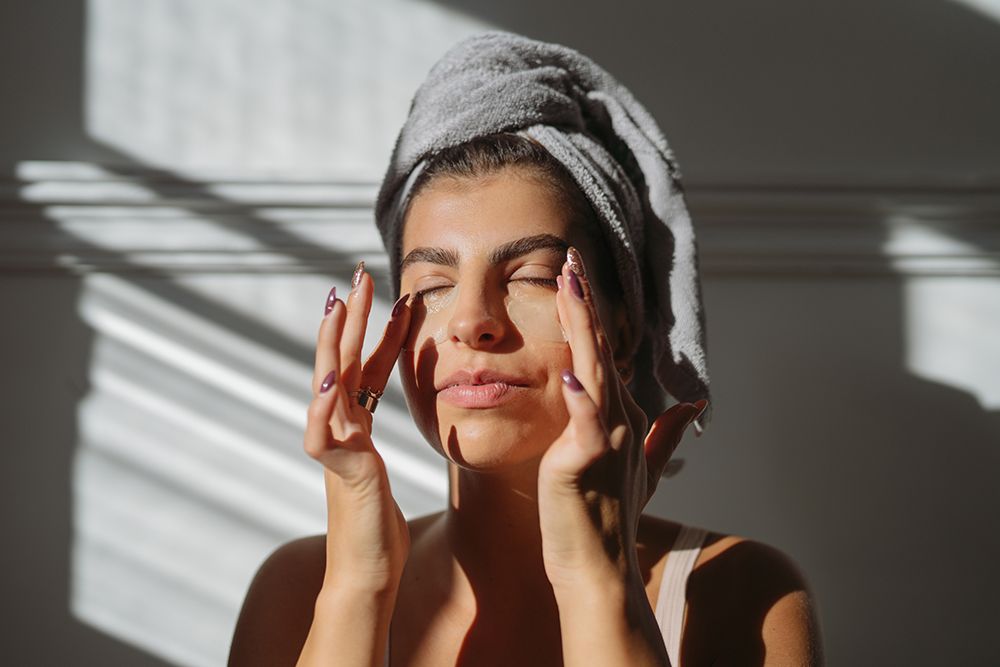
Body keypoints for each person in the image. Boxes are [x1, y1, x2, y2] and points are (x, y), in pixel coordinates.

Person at [228, 32, 822, 666]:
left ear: (619, 329)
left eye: (532, 277)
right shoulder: (299, 589)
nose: (472, 322)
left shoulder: (742, 593)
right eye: (432, 285)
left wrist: (599, 584)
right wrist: (358, 587)